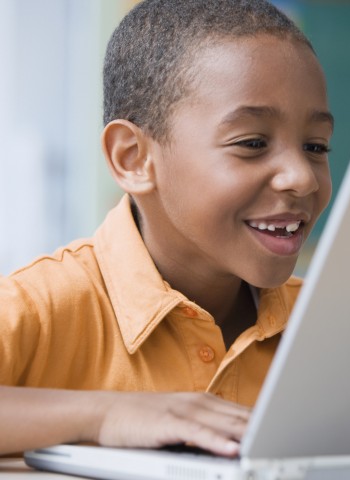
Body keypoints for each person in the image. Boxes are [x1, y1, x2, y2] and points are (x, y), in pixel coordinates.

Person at [0, 0, 333, 457]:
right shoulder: (37, 307)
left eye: (316, 146)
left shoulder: (331, 327)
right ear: (132, 159)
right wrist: (105, 414)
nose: (302, 177)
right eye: (252, 143)